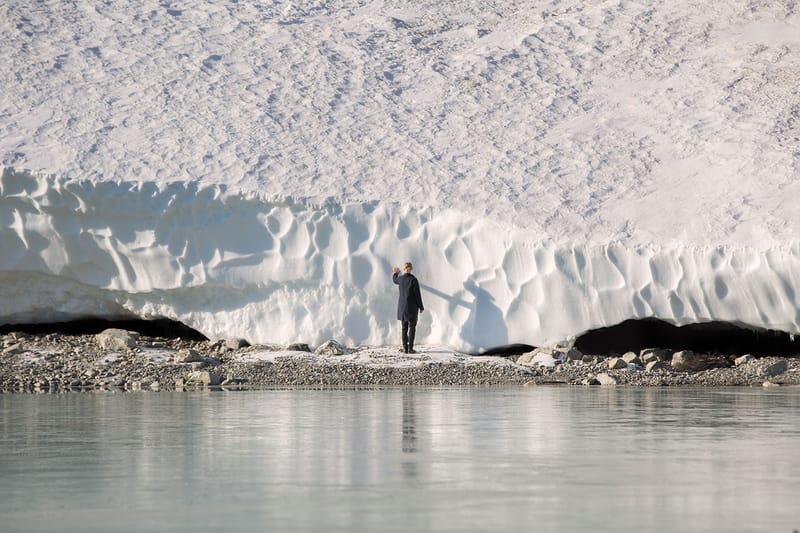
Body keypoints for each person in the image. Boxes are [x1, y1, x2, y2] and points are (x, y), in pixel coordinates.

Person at [392, 262, 424, 353]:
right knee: (412, 328)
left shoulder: (400, 279)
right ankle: (410, 348)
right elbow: (417, 295)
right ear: (411, 269)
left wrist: (395, 272)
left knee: (404, 328)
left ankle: (405, 348)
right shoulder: (413, 280)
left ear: (404, 269)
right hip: (412, 308)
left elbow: (394, 280)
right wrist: (421, 307)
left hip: (402, 308)